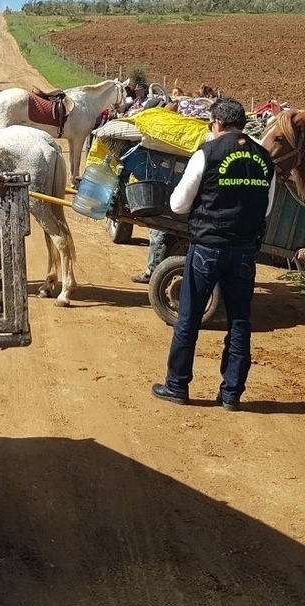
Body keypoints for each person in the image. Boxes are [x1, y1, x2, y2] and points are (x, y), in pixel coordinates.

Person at [151, 98, 276, 412]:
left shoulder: (206, 154)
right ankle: (232, 394)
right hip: (245, 252)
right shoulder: (265, 158)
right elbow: (268, 209)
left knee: (189, 318)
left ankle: (177, 386)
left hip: (207, 248)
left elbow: (179, 205)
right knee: (239, 322)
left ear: (217, 124)